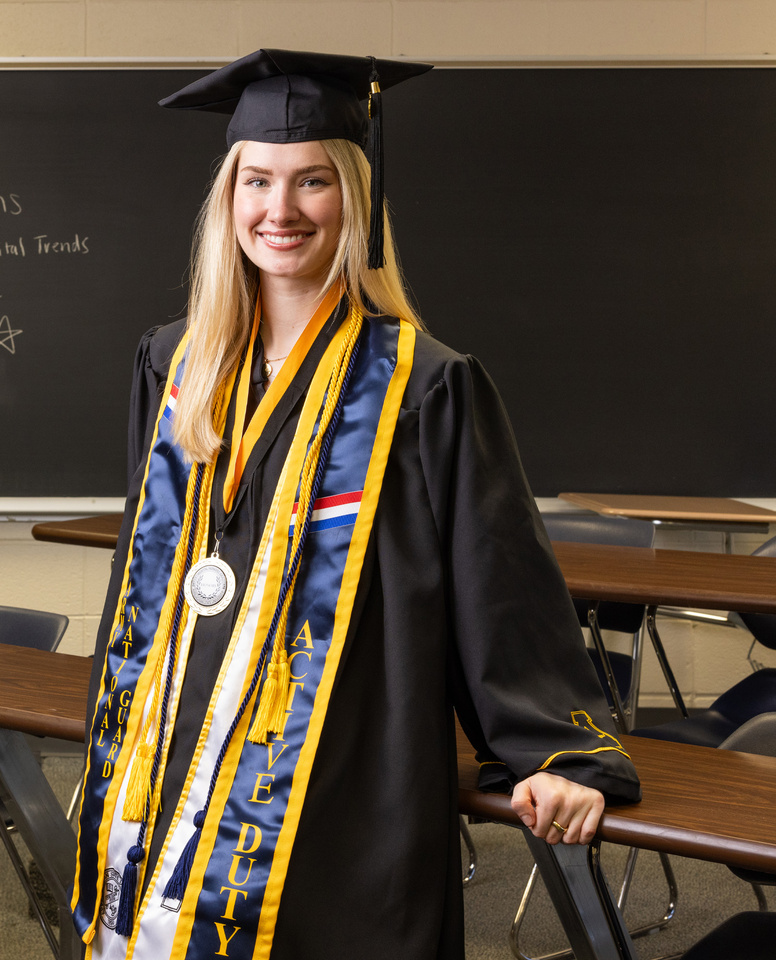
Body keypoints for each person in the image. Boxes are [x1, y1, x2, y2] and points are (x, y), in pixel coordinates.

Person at [70, 50, 641, 960]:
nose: (280, 210)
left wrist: (553, 751)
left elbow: (495, 579)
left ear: (356, 201)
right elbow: (146, 569)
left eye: (312, 182)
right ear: (229, 198)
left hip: (338, 756)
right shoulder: (174, 365)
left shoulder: (425, 386)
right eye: (256, 180)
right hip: (171, 740)